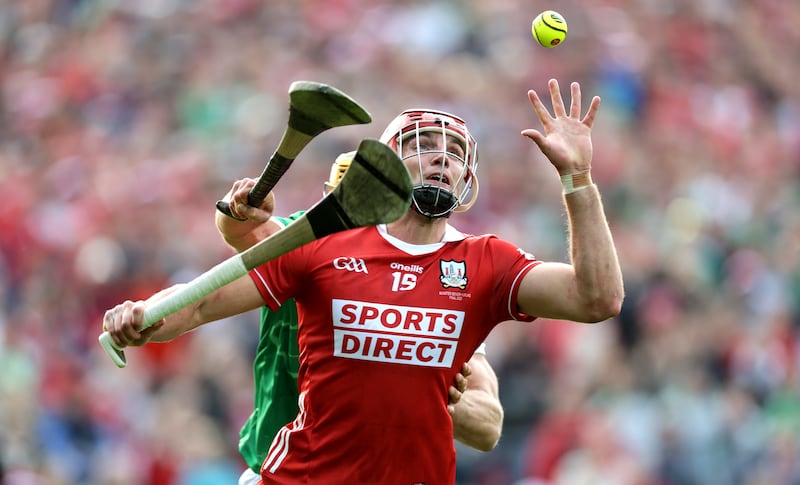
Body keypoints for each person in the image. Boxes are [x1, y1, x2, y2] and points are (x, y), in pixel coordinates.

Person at [102, 79, 624, 484]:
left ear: (468, 181)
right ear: (385, 164)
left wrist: (577, 178)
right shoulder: (322, 243)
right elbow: (202, 302)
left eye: (456, 154)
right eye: (425, 145)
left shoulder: (486, 263)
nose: (444, 157)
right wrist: (141, 318)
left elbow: (597, 298)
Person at [216, 152, 504, 484]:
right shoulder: (301, 245)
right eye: (344, 205)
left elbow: (488, 428)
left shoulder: (428, 293)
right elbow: (243, 231)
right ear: (326, 199)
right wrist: (236, 208)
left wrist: (435, 398)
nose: (354, 224)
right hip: (280, 472)